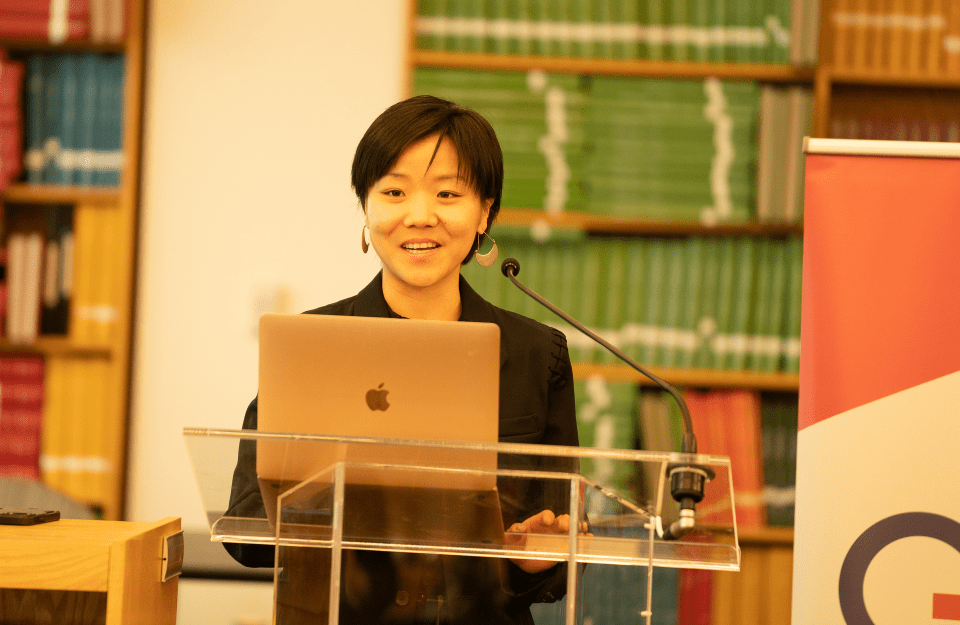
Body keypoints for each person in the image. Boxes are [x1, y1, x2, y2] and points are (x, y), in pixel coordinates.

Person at [225, 95, 582, 624]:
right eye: (394, 192)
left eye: (447, 194)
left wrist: (536, 562)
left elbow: (558, 558)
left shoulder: (537, 354)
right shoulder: (312, 344)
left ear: (484, 211)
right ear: (366, 209)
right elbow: (247, 529)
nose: (420, 216)